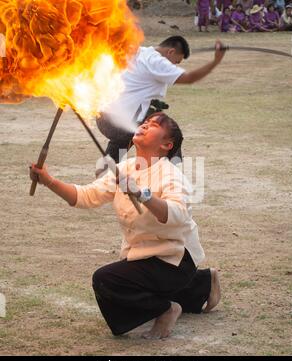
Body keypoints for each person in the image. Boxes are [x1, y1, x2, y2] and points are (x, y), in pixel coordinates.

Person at [29, 112, 221, 339]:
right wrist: (48, 181)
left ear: (166, 145)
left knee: (107, 280)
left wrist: (143, 194)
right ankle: (202, 283)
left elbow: (177, 214)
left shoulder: (171, 175)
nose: (146, 124)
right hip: (144, 255)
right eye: (146, 121)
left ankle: (167, 308)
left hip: (176, 259)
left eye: (154, 124)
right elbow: (86, 196)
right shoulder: (126, 167)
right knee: (130, 277)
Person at [95, 36, 226, 177]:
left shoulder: (140, 52)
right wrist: (216, 61)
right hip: (119, 125)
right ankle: (170, 174)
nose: (173, 66)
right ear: (170, 51)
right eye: (176, 62)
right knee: (169, 131)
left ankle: (103, 171)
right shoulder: (156, 61)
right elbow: (189, 78)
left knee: (150, 116)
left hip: (104, 117)